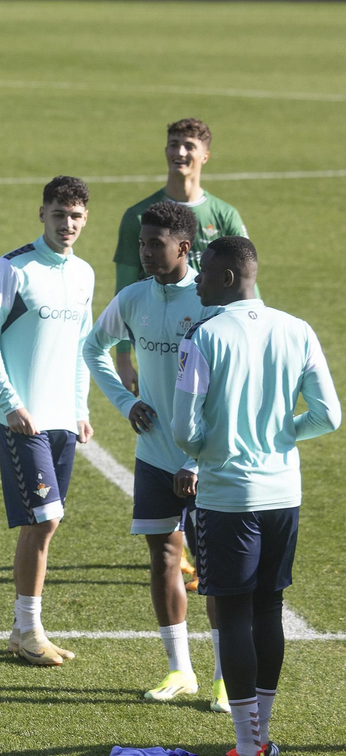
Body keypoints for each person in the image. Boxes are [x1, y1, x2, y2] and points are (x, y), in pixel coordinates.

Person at [172, 236, 340, 756]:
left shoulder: (204, 336)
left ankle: (248, 745)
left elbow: (184, 431)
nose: (195, 281)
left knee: (235, 611)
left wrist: (213, 447)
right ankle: (262, 738)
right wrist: (283, 436)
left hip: (228, 498)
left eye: (203, 274)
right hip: (283, 493)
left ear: (227, 278)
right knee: (269, 607)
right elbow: (329, 415)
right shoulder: (298, 329)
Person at [83, 201, 224, 706]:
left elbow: (226, 387)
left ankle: (225, 678)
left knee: (213, 569)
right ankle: (179, 670)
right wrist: (126, 401)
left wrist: (198, 458)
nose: (144, 252)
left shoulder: (209, 301)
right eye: (142, 243)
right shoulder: (134, 297)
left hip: (205, 458)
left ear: (184, 247)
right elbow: (92, 347)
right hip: (154, 454)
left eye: (154, 244)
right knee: (164, 556)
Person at [0, 175, 95, 666]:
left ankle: (22, 630)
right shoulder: (11, 269)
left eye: (76, 216)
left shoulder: (84, 274)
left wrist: (82, 408)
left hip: (63, 418)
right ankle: (29, 630)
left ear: (86, 219)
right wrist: (9, 403)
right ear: (41, 213)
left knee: (42, 526)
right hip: (23, 418)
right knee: (46, 518)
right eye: (59, 214)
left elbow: (84, 348)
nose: (67, 224)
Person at [111, 119, 251, 399]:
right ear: (165, 151)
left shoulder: (225, 215)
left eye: (189, 146)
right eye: (174, 145)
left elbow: (247, 281)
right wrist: (123, 359)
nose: (181, 153)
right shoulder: (139, 217)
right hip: (158, 335)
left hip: (214, 332)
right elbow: (124, 289)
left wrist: (253, 333)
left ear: (205, 156)